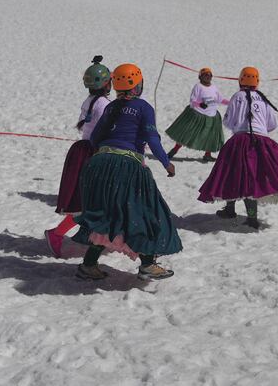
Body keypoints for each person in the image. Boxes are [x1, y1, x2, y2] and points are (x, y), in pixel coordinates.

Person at [72, 63, 182, 280]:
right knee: (145, 212)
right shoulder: (143, 108)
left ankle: (88, 264)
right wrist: (166, 162)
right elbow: (152, 138)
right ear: (138, 85)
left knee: (108, 215)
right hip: (126, 166)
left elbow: (94, 138)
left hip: (98, 164)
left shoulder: (110, 107)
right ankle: (148, 264)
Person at [197, 67, 278, 229]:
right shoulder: (263, 99)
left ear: (240, 80)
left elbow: (228, 121)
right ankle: (245, 215)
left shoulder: (237, 96)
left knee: (231, 173)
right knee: (253, 178)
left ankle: (234, 211)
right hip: (262, 142)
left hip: (239, 141)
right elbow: (272, 124)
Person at [44, 56, 111, 258]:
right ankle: (56, 234)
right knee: (90, 203)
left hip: (83, 150)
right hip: (95, 153)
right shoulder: (104, 105)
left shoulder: (90, 100)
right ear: (107, 84)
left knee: (88, 203)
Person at [165, 67, 229, 162]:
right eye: (205, 75)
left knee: (210, 136)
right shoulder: (198, 87)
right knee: (187, 133)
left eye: (209, 75)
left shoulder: (214, 87)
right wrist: (199, 104)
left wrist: (231, 102)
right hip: (198, 115)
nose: (207, 77)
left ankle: (207, 154)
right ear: (200, 77)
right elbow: (192, 101)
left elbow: (220, 99)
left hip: (212, 115)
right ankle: (175, 149)